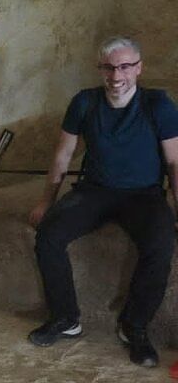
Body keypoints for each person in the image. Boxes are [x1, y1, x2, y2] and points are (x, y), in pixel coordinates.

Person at [27, 36, 178, 368]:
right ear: (100, 70)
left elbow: (174, 161)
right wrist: (46, 201)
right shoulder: (85, 102)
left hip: (144, 194)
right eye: (109, 68)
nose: (116, 76)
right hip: (94, 190)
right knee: (49, 234)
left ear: (138, 68)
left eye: (125, 67)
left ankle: (134, 327)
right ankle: (65, 318)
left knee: (161, 242)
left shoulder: (158, 105)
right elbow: (63, 154)